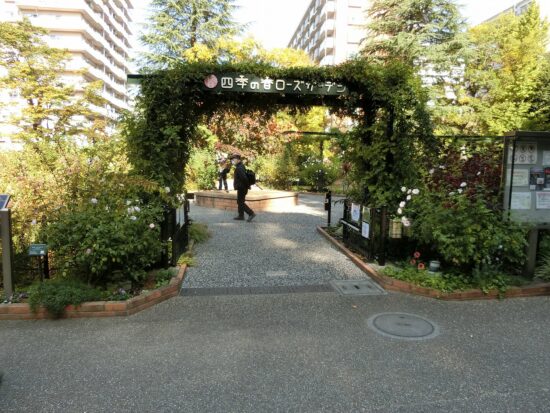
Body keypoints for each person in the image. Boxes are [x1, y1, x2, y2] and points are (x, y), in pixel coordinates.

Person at [230, 153, 256, 222]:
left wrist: (247, 186)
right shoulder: (240, 166)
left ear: (238, 159)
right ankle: (241, 215)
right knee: (240, 201)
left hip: (242, 187)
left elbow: (244, 178)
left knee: (240, 202)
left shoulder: (239, 168)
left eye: (233, 159)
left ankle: (251, 213)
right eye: (232, 160)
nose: (232, 161)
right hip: (242, 187)